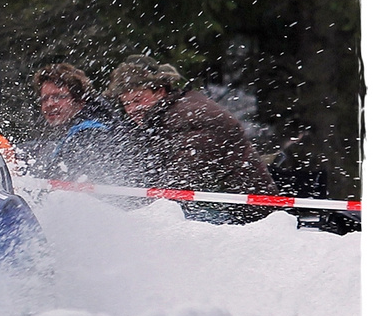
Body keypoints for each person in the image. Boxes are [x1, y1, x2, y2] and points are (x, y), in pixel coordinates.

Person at [105, 55, 275, 219]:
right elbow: (141, 171)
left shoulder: (192, 117)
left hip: (240, 211)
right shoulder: (157, 119)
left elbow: (183, 179)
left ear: (160, 91)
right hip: (212, 203)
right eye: (126, 104)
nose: (132, 109)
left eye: (138, 100)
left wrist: (141, 209)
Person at [30, 62, 129, 183]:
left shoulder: (92, 134)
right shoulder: (80, 126)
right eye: (44, 99)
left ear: (79, 101)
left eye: (58, 97)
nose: (49, 104)